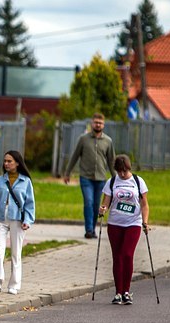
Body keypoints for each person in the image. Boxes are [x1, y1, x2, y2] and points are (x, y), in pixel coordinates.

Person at [98, 154, 149, 305]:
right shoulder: (112, 182)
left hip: (133, 223)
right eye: (119, 171)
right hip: (115, 223)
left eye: (124, 171)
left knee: (127, 254)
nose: (122, 174)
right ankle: (118, 293)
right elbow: (106, 203)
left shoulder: (138, 181)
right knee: (117, 256)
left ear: (129, 168)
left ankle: (126, 291)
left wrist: (145, 222)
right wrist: (102, 210)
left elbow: (144, 205)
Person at [0, 150, 35, 295]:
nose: (6, 163)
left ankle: (14, 285)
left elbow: (30, 204)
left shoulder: (26, 181)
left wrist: (28, 220)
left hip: (17, 220)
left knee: (15, 253)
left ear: (17, 163)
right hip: (0, 219)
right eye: (5, 161)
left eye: (9, 161)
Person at [63, 112, 115, 239]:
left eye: (100, 123)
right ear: (92, 123)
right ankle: (89, 230)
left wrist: (116, 178)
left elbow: (111, 161)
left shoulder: (108, 141)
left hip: (101, 178)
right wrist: (67, 172)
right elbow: (75, 156)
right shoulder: (83, 139)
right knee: (88, 202)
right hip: (86, 177)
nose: (98, 125)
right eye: (96, 122)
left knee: (97, 205)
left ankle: (93, 229)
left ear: (103, 125)